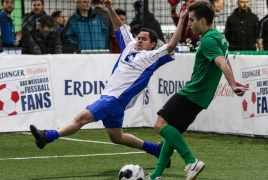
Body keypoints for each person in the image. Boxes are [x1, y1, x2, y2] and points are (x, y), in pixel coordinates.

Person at [29, 0, 188, 168]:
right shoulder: (130, 45)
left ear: (153, 45)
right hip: (113, 100)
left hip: (113, 100)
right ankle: (156, 150)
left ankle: (47, 136)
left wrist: (182, 20)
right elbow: (119, 26)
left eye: (144, 39)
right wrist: (110, 7)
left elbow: (171, 45)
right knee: (117, 137)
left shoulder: (152, 57)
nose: (139, 40)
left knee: (81, 118)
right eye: (139, 37)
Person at [146, 1, 248, 180]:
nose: (189, 23)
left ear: (202, 20)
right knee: (172, 133)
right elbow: (225, 60)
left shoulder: (208, 39)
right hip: (201, 98)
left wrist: (232, 85)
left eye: (191, 20)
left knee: (160, 124)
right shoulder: (219, 37)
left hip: (192, 93)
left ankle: (190, 161)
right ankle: (156, 175)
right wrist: (233, 81)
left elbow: (221, 62)